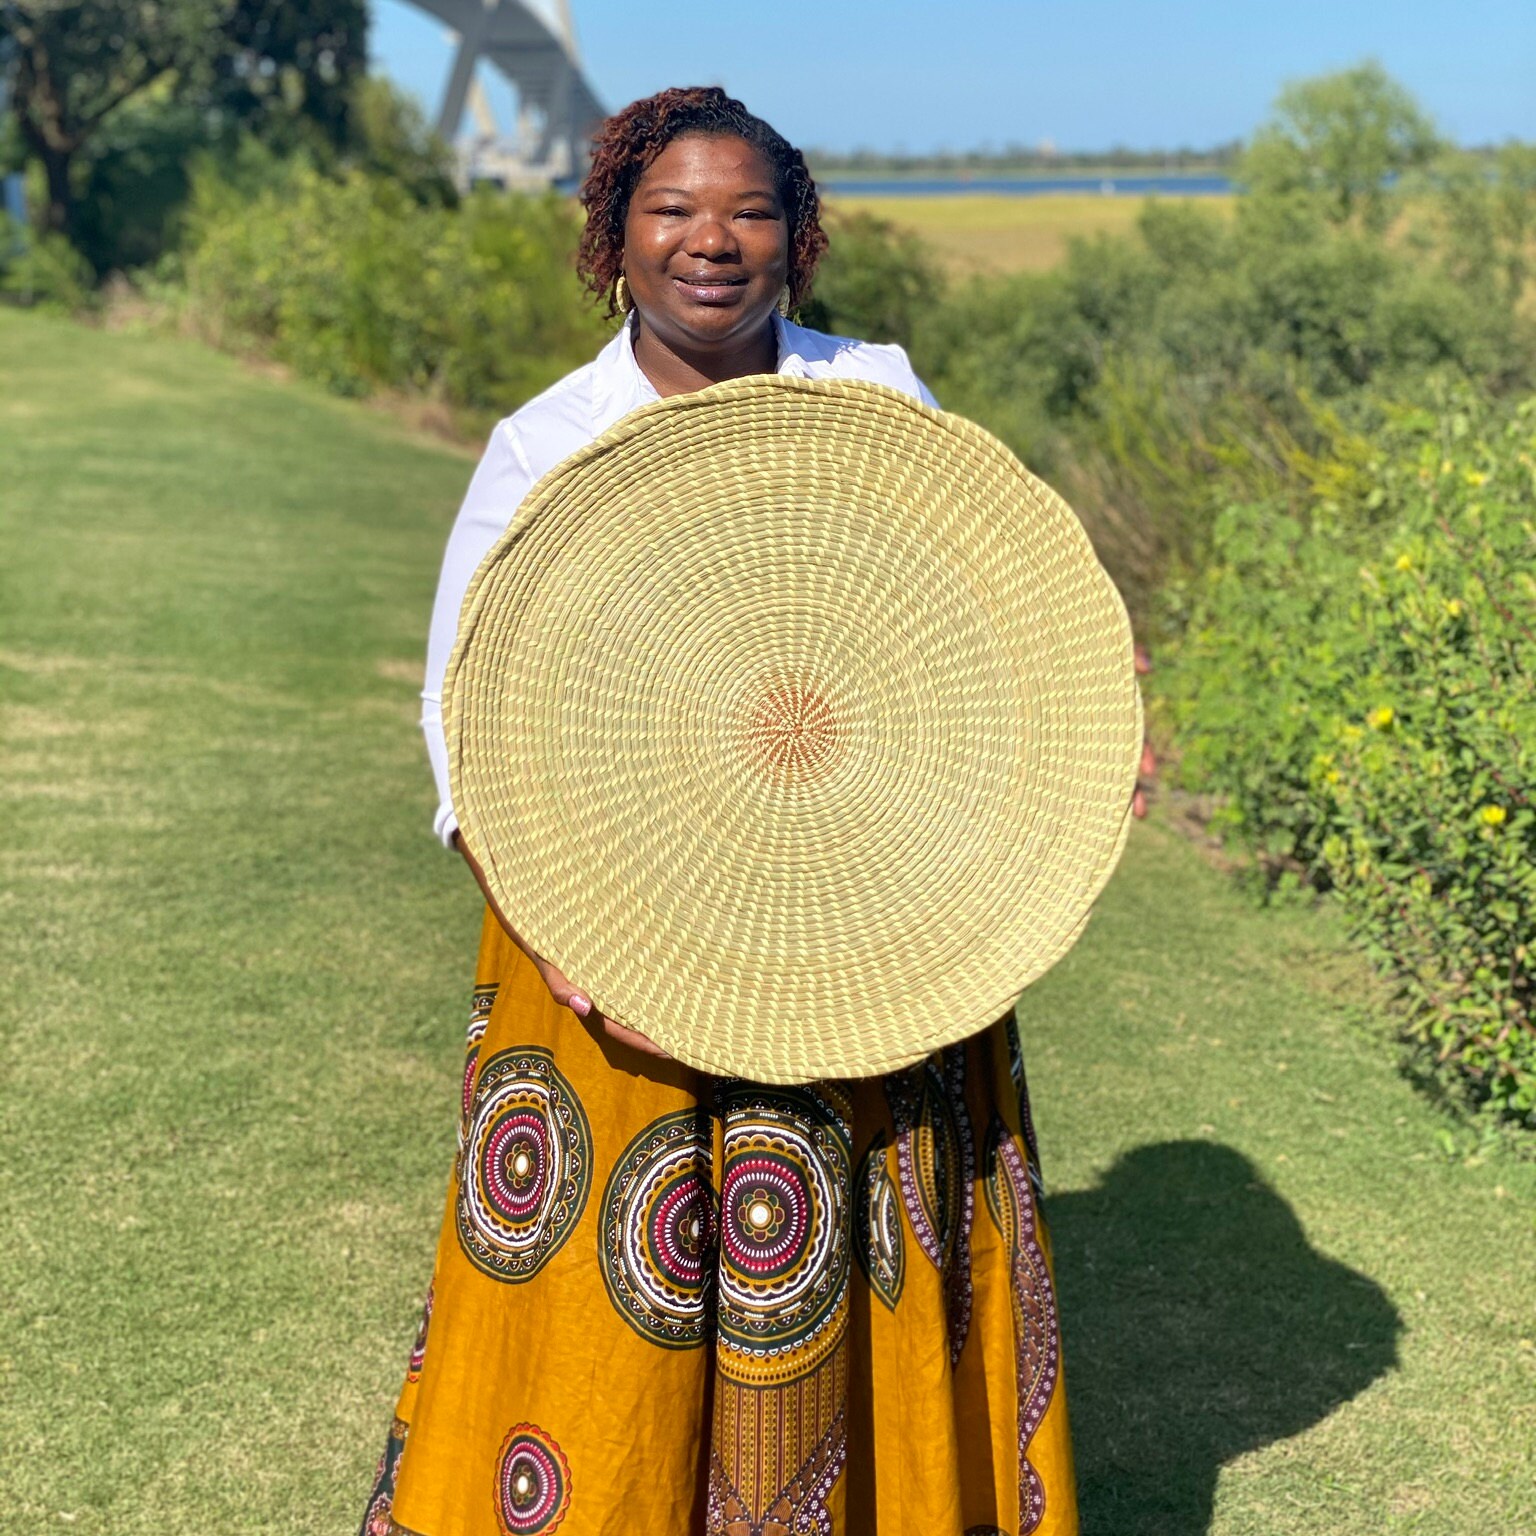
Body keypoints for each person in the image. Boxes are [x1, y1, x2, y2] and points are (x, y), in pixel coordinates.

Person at [360, 86, 1079, 1536]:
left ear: (797, 239)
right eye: (672, 211)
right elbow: (464, 731)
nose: (711, 243)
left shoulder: (869, 395)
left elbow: (972, 642)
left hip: (864, 925)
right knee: (612, 1303)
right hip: (604, 944)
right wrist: (575, 956)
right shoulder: (549, 443)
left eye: (748, 211)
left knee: (869, 1238)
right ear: (613, 239)